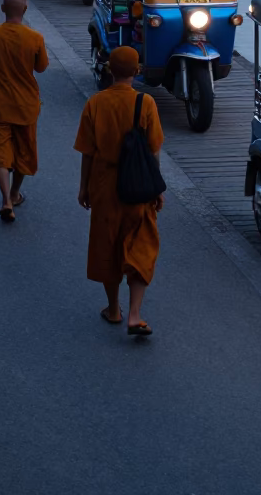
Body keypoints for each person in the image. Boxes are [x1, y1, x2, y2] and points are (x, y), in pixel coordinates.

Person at [74, 46, 164, 337]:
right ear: (137, 71)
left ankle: (113, 309)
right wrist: (157, 187)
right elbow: (153, 149)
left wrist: (83, 187)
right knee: (141, 245)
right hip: (138, 185)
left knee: (107, 246)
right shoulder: (146, 102)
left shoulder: (96, 103)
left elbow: (87, 152)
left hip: (104, 184)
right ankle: (135, 314)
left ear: (109, 70)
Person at [0, 0, 48, 223]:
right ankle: (15, 193)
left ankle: (6, 199)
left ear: (3, 8)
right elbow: (41, 68)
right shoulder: (35, 38)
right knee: (24, 152)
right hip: (26, 106)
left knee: (0, 151)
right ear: (25, 10)